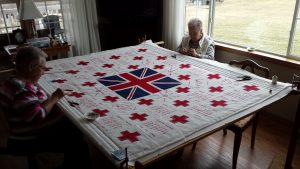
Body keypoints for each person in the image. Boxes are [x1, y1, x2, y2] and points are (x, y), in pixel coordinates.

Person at [0, 46, 90, 169]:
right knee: (78, 142)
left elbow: (32, 104)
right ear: (31, 68)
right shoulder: (22, 90)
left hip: (22, 130)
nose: (44, 72)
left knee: (72, 128)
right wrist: (54, 97)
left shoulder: (12, 82)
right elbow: (37, 115)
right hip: (28, 139)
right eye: (43, 68)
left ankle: (71, 161)